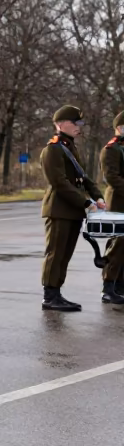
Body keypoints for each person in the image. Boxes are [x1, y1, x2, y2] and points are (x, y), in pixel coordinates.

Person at [41, 105, 105, 311]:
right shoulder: (52, 149)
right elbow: (59, 183)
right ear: (60, 125)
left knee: (65, 254)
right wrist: (85, 202)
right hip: (59, 209)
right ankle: (49, 296)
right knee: (56, 253)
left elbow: (83, 177)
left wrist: (98, 196)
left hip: (72, 210)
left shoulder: (70, 147)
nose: (79, 127)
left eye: (80, 123)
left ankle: (57, 292)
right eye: (75, 123)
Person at [99, 112, 124, 305]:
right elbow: (112, 177)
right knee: (117, 245)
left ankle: (119, 284)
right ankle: (108, 286)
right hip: (118, 200)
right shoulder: (112, 149)